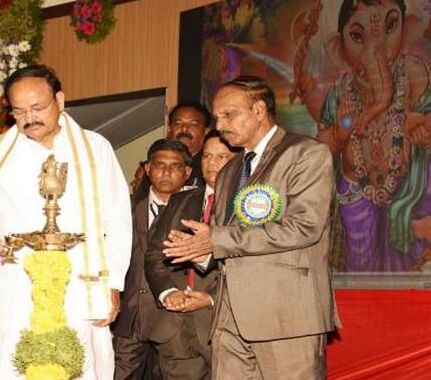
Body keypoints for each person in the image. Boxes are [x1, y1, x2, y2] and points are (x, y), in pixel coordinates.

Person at [0, 65, 132, 379]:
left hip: (80, 286)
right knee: (12, 368)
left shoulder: (95, 148)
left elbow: (117, 218)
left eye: (38, 107)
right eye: (19, 111)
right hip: (17, 286)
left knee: (80, 369)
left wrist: (114, 282)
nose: (29, 118)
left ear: (59, 101)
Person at [162, 76, 339, 379]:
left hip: (285, 315)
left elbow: (304, 226)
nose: (220, 125)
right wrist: (199, 251)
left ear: (259, 110)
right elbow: (224, 236)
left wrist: (215, 240)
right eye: (217, 117)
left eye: (228, 114)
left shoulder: (305, 153)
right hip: (229, 317)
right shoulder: (230, 169)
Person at [293, 0, 431, 271]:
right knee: (359, 266)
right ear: (339, 46)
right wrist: (339, 134)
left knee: (404, 269)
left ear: (406, 28)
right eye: (358, 36)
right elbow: (321, 146)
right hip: (356, 194)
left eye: (390, 26)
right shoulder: (340, 91)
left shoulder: (413, 73)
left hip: (406, 193)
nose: (375, 47)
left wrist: (420, 127)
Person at [144, 131, 238, 379]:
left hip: (224, 326)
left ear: (238, 162)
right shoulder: (180, 200)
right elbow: (154, 255)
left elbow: (251, 264)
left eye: (221, 157)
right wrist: (168, 292)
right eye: (207, 156)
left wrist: (210, 298)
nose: (212, 163)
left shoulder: (247, 205)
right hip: (176, 329)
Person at [114, 139, 192, 379]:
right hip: (130, 319)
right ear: (147, 168)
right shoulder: (123, 208)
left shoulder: (199, 211)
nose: (166, 172)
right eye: (159, 165)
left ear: (188, 172)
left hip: (175, 321)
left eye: (175, 166)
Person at [167, 102, 212, 188]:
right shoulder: (156, 165)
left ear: (206, 131)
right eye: (178, 123)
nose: (184, 129)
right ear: (169, 129)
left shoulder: (211, 164)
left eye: (193, 125)